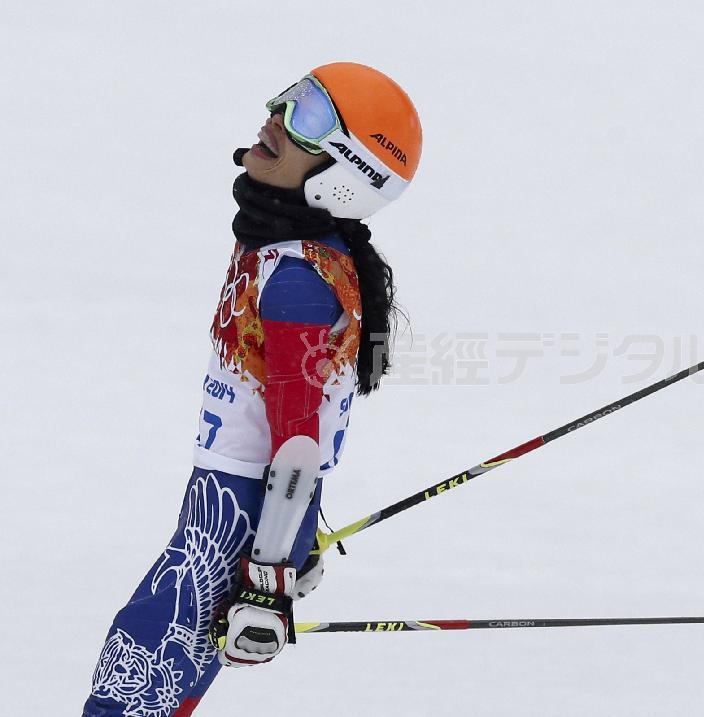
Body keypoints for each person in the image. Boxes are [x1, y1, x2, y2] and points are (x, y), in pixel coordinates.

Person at [84, 62, 423, 717]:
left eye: (310, 118)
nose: (276, 115)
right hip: (246, 511)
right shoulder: (293, 249)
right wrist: (294, 544)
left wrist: (267, 577)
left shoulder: (296, 278)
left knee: (126, 691)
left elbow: (297, 443)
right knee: (155, 690)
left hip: (234, 520)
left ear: (346, 172)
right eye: (291, 97)